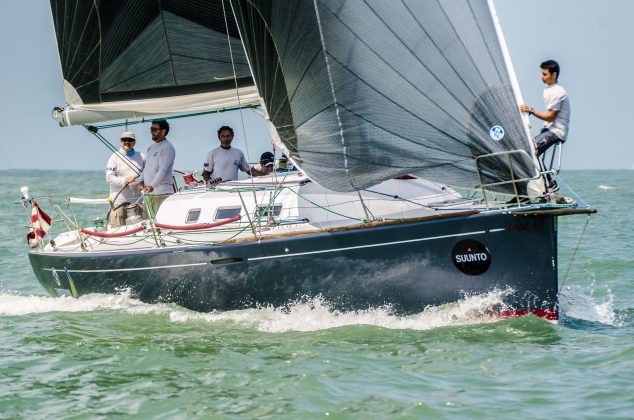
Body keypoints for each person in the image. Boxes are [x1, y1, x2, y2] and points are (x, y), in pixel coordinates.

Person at [520, 59, 571, 157]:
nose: (542, 77)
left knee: (529, 150)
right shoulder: (549, 89)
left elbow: (550, 117)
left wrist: (531, 110)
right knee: (527, 148)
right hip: (548, 130)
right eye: (541, 74)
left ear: (554, 75)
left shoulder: (558, 92)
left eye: (545, 74)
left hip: (556, 132)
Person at [137, 120, 176, 218]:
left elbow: (163, 169)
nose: (151, 132)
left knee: (160, 223)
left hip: (162, 193)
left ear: (163, 131)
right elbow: (146, 168)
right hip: (149, 194)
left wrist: (152, 185)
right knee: (146, 224)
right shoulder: (151, 147)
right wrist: (141, 180)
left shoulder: (168, 147)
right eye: (151, 129)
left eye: (154, 129)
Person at [106, 131, 145, 227]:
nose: (127, 142)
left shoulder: (141, 156)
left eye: (130, 140)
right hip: (119, 203)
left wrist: (142, 181)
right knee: (117, 232)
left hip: (137, 202)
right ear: (120, 142)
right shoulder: (114, 157)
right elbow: (109, 177)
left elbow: (146, 174)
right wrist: (124, 181)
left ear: (134, 142)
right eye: (124, 140)